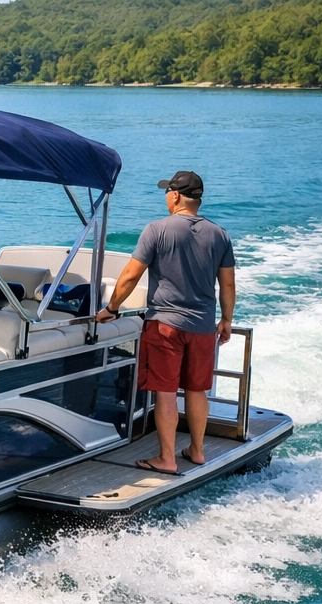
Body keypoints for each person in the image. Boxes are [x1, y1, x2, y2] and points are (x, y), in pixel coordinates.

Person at [96, 170, 236, 473]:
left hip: (164, 326)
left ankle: (167, 458)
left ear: (174, 196)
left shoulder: (157, 229)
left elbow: (131, 275)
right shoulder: (220, 234)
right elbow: (227, 285)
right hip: (202, 327)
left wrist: (112, 307)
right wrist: (226, 319)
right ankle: (197, 451)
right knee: (197, 390)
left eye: (166, 192)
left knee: (166, 391)